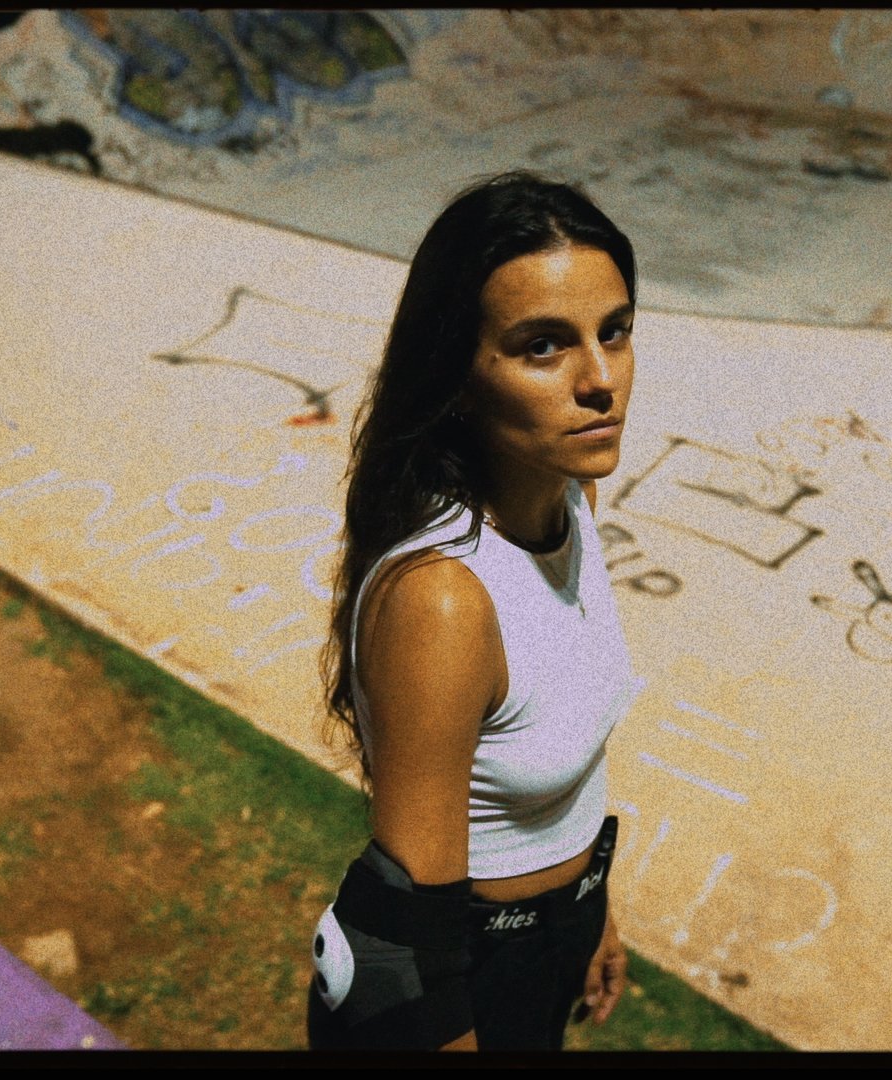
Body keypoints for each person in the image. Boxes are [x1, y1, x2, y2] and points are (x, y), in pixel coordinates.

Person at [309, 170, 647, 1052]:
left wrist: (588, 908)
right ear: (457, 373)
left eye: (615, 332)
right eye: (544, 346)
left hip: (542, 945)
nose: (601, 379)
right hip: (445, 996)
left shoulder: (572, 501)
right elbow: (405, 940)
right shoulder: (445, 600)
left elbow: (553, 774)